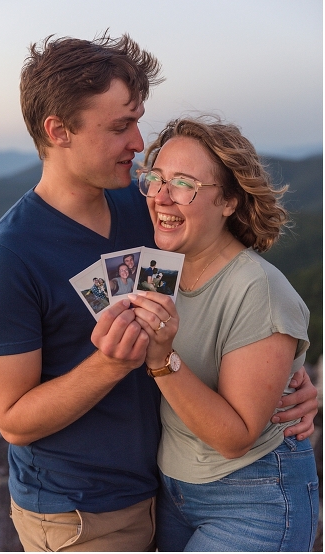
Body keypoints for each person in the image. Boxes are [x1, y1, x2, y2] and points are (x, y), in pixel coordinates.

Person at [0, 33, 318, 551]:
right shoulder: (4, 262)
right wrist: (111, 363)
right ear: (58, 130)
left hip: (171, 489)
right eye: (120, 126)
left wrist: (285, 377)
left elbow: (231, 284)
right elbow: (13, 421)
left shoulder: (143, 204)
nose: (136, 142)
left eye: (137, 120)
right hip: (82, 512)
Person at [127, 117, 319, 551]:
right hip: (171, 492)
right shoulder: (159, 267)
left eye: (184, 183)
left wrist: (161, 359)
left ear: (229, 202)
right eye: (156, 178)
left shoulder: (259, 288)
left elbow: (235, 437)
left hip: (252, 496)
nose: (161, 196)